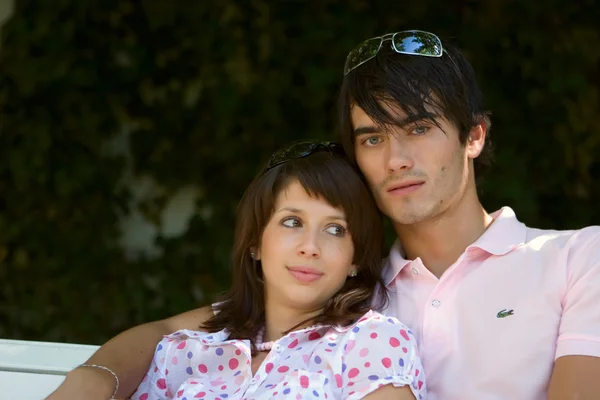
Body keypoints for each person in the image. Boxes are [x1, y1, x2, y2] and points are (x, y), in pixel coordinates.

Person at [47, 30, 600, 400]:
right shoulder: (349, 287)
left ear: (474, 135)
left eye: (420, 128)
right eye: (373, 136)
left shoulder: (576, 258)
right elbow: (177, 328)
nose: (397, 158)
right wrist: (94, 379)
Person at [51, 141, 426, 400]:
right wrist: (95, 376)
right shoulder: (204, 343)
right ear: (254, 243)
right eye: (292, 222)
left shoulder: (369, 341)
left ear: (355, 259)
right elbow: (161, 330)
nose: (310, 246)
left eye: (335, 229)